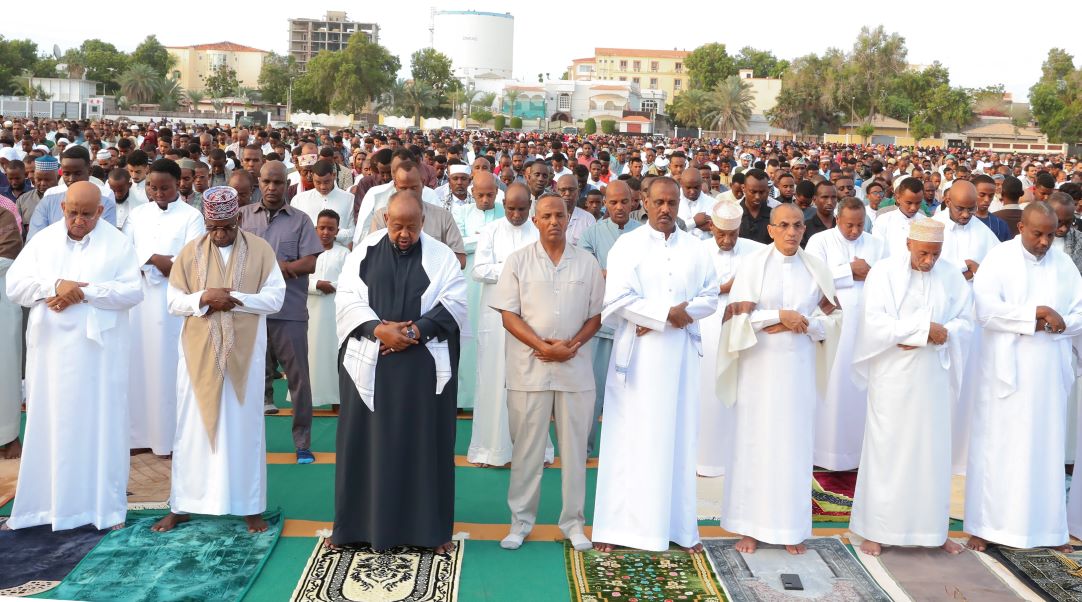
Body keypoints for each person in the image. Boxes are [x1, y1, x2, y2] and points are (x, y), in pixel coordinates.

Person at [333, 191, 468, 554]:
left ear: (423, 222)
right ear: (385, 221)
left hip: (421, 367)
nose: (404, 234)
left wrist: (411, 332)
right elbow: (347, 299)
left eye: (411, 226)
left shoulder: (441, 257)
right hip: (372, 363)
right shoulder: (364, 251)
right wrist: (380, 330)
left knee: (425, 446)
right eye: (397, 226)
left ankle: (430, 531)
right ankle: (356, 528)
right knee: (365, 445)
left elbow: (454, 302)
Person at [5, 181, 142, 530]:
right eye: (73, 212)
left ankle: (104, 511)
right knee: (50, 424)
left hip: (100, 356)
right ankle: (42, 510)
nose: (79, 220)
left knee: (101, 426)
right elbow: (16, 286)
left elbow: (132, 292)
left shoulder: (118, 243)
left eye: (87, 213)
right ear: (63, 207)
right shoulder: (44, 240)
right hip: (51, 355)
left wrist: (82, 292)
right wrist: (54, 287)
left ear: (100, 211)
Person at [591, 177, 719, 553]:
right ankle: (618, 530)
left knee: (678, 438)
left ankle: (678, 529)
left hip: (679, 356)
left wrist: (676, 316)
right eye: (659, 202)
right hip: (639, 359)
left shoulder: (696, 249)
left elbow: (710, 295)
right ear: (643, 202)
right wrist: (664, 313)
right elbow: (616, 299)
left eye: (672, 203)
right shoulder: (626, 246)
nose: (666, 209)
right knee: (630, 440)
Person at [150, 186, 286, 534]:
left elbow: (275, 298)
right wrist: (204, 298)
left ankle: (249, 506)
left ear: (238, 218)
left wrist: (235, 299)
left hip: (246, 357)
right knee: (191, 430)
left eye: (226, 226)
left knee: (244, 430)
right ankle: (183, 505)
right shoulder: (190, 253)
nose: (220, 234)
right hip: (198, 357)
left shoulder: (261, 251)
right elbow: (173, 301)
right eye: (213, 227)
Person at [717, 203, 841, 555]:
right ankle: (749, 528)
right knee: (754, 445)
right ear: (770, 230)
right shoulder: (753, 265)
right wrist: (777, 316)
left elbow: (834, 319)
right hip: (759, 371)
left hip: (797, 370)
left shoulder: (817, 268)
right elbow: (735, 318)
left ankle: (790, 527)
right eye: (783, 225)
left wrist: (803, 322)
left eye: (798, 225)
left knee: (793, 447)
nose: (791, 232)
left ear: (805, 230)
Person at [849, 219, 973, 556]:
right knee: (888, 451)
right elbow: (874, 323)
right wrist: (921, 331)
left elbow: (966, 320)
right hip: (894, 378)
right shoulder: (885, 273)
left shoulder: (949, 275)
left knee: (931, 454)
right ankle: (875, 530)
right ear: (908, 245)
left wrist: (943, 332)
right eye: (923, 253)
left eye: (935, 253)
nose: (929, 260)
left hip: (934, 376)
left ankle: (933, 531)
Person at [490, 193, 605, 552]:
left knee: (574, 452)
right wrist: (543, 347)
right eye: (547, 216)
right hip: (530, 369)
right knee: (527, 449)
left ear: (570, 219)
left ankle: (574, 523)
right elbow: (508, 314)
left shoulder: (587, 263)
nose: (554, 221)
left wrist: (570, 346)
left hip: (575, 369)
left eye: (560, 215)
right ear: (535, 220)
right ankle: (520, 522)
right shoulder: (517, 261)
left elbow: (596, 315)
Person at [966, 202, 1082, 553]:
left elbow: (1078, 313)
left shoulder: (1064, 264)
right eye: (1038, 234)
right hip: (1006, 373)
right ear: (1021, 228)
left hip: (1049, 372)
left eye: (1050, 234)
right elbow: (984, 309)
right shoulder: (999, 259)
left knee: (1045, 451)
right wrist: (1036, 315)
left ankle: (1049, 531)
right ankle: (985, 527)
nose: (1046, 241)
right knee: (999, 449)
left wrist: (1058, 322)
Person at [239, 161, 323, 463]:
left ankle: (302, 444)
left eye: (277, 183)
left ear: (285, 185)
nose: (272, 188)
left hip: (289, 310)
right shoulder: (242, 217)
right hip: (250, 311)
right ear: (258, 183)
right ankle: (244, 444)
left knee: (298, 378)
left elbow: (310, 263)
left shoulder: (300, 220)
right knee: (247, 379)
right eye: (266, 182)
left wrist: (278, 268)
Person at [124, 159, 206, 456]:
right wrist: (153, 258)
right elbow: (125, 251)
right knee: (138, 367)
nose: (158, 192)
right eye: (152, 186)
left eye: (165, 187)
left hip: (172, 301)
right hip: (141, 300)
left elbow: (191, 258)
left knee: (169, 369)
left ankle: (168, 439)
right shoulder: (137, 215)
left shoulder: (191, 216)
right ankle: (137, 437)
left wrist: (163, 262)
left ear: (178, 185)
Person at [467, 183, 550, 466]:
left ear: (531, 206)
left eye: (522, 209)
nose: (516, 214)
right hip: (496, 317)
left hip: (532, 318)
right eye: (511, 209)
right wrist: (514, 268)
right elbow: (479, 270)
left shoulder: (537, 233)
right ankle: (490, 450)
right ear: (504, 204)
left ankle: (533, 451)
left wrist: (516, 269)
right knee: (492, 380)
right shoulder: (490, 231)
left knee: (531, 383)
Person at [805, 197, 885, 471]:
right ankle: (824, 455)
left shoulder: (876, 244)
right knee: (832, 386)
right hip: (833, 325)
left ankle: (859, 455)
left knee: (861, 387)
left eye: (860, 225)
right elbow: (814, 275)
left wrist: (869, 273)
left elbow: (886, 278)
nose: (854, 231)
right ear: (838, 219)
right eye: (849, 225)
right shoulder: (821, 241)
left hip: (866, 329)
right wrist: (850, 271)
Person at [932, 180, 1001, 475]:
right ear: (947, 200)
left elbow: (998, 273)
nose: (966, 214)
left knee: (967, 387)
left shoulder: (984, 233)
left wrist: (981, 272)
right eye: (961, 208)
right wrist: (960, 270)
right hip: (936, 319)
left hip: (969, 324)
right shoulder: (930, 227)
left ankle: (961, 454)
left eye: (971, 209)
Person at [696, 201, 764, 477]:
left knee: (741, 392)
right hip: (706, 328)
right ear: (711, 227)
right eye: (720, 234)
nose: (727, 240)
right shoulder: (697, 251)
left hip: (741, 329)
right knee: (707, 393)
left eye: (732, 235)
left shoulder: (756, 251)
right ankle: (704, 459)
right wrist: (724, 288)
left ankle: (739, 461)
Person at [578, 181, 641, 455]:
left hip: (637, 326)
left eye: (624, 202)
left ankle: (630, 449)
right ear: (605, 202)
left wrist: (609, 273)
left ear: (633, 202)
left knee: (635, 393)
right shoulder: (591, 235)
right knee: (593, 392)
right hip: (601, 325)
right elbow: (586, 275)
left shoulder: (644, 234)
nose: (619, 207)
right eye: (613, 202)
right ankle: (585, 447)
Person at [368, 160, 466, 268]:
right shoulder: (382, 216)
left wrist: (429, 265)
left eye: (413, 188)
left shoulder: (443, 217)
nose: (409, 193)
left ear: (423, 184)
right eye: (403, 188)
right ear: (395, 186)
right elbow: (373, 255)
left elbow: (460, 260)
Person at [307, 209, 350, 409]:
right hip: (310, 311)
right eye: (322, 228)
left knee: (334, 354)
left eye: (330, 228)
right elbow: (298, 278)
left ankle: (336, 399)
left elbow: (351, 280)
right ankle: (309, 399)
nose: (325, 232)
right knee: (310, 354)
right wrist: (316, 286)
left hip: (334, 312)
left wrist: (330, 285)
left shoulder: (344, 253)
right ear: (315, 228)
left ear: (337, 230)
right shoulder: (305, 250)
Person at [27, 146, 117, 239]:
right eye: (66, 174)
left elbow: (107, 237)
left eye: (77, 173)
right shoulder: (50, 196)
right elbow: (36, 238)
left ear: (89, 171)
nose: (71, 179)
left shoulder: (105, 196)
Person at [290, 159, 357, 247]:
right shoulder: (298, 200)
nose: (323, 187)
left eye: (327, 182)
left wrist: (332, 234)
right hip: (308, 254)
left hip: (339, 256)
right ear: (312, 178)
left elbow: (354, 231)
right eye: (318, 182)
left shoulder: (349, 199)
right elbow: (292, 230)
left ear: (334, 176)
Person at [0, 204, 21, 459]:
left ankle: (8, 438)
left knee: (3, 373)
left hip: (1, 306)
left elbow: (8, 255)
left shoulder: (3, 211)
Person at [873, 177, 927, 257]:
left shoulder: (926, 222)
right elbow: (877, 252)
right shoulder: (883, 220)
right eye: (909, 203)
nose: (913, 208)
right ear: (898, 198)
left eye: (918, 203)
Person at [453, 171, 504, 241]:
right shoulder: (461, 213)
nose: (485, 200)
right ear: (473, 192)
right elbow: (458, 244)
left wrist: (474, 239)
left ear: (496, 190)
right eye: (480, 195)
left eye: (489, 195)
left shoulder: (506, 212)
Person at [555, 174, 596, 246]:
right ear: (556, 192)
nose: (567, 193)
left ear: (578, 193)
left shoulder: (588, 219)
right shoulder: (547, 217)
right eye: (563, 190)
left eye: (571, 190)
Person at [738, 169, 772, 244]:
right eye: (753, 192)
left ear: (767, 190)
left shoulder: (775, 215)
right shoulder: (733, 213)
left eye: (762, 192)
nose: (757, 197)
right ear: (743, 188)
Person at [677, 168, 712, 240]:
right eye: (688, 187)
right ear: (681, 183)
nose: (692, 191)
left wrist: (692, 227)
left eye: (696, 187)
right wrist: (694, 222)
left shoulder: (713, 203)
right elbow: (669, 230)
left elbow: (717, 229)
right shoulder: (672, 202)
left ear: (701, 183)